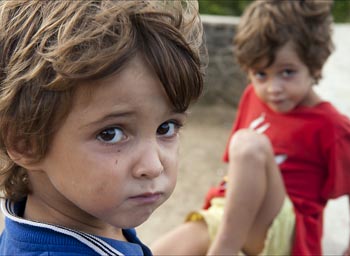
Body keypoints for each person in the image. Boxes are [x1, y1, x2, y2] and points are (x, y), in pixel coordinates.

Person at [151, 0, 350, 255]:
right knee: (157, 250)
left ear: (314, 65)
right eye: (261, 74)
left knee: (248, 145)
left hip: (287, 227)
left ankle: (223, 249)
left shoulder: (332, 126)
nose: (273, 88)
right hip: (235, 216)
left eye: (287, 72)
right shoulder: (253, 97)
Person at [0, 0, 204, 255]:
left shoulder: (91, 217)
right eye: (111, 134)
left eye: (166, 127)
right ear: (25, 142)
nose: (154, 166)